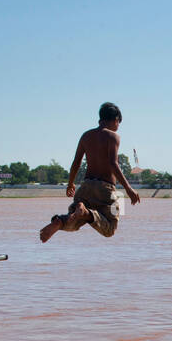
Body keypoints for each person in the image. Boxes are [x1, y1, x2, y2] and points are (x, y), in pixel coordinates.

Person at [39, 102, 141, 242]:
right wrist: (128, 189)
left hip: (85, 187)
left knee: (73, 222)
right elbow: (113, 163)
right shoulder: (113, 136)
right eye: (119, 123)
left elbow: (76, 163)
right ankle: (86, 212)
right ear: (115, 120)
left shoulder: (86, 136)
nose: (118, 127)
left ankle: (59, 221)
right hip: (105, 190)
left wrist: (70, 184)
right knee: (110, 228)